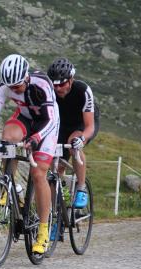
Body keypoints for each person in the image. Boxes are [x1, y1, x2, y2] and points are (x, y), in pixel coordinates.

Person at [0, 54, 60, 254]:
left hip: (47, 124)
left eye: (17, 87)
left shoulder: (42, 84)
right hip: (25, 117)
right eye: (10, 87)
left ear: (26, 77)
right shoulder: (5, 86)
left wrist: (37, 138)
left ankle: (44, 231)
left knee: (38, 174)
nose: (14, 90)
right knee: (7, 137)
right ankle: (8, 187)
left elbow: (51, 119)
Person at [47, 57, 99, 208]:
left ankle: (81, 188)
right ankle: (56, 211)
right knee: (56, 167)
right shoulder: (49, 91)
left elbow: (89, 126)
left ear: (71, 79)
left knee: (73, 144)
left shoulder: (82, 90)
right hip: (61, 125)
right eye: (54, 85)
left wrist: (82, 139)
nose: (57, 89)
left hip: (82, 123)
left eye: (62, 84)